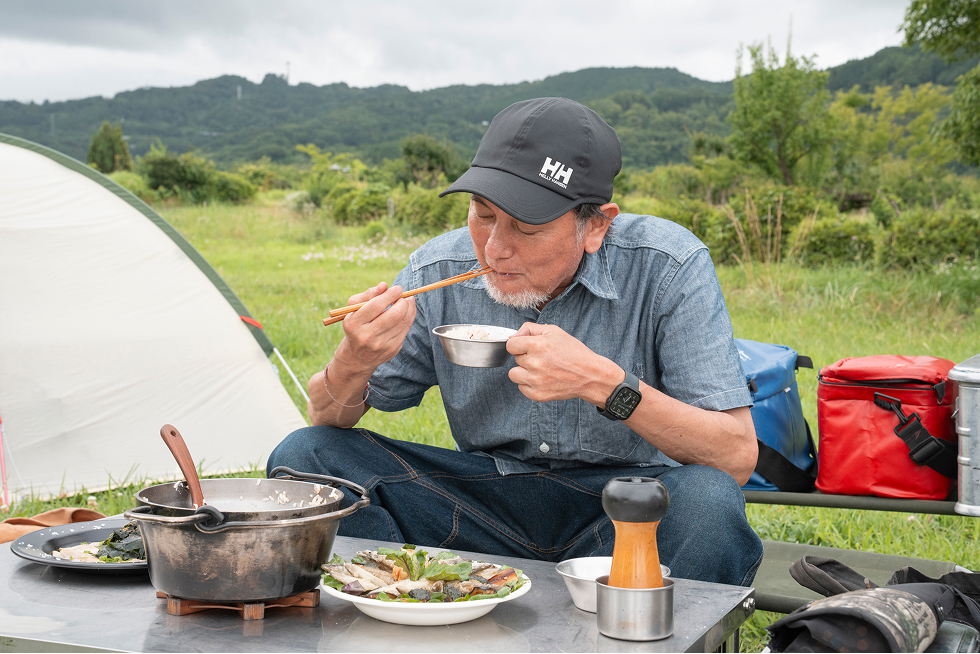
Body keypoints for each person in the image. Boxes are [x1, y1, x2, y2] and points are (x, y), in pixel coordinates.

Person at [268, 97, 763, 587]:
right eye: (483, 215)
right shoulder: (438, 269)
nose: (495, 248)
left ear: (595, 225)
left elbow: (735, 458)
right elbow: (328, 421)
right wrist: (354, 359)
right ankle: (398, 608)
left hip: (625, 513)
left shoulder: (667, 266)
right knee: (308, 456)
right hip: (483, 504)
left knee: (707, 501)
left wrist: (604, 384)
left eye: (527, 227)